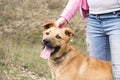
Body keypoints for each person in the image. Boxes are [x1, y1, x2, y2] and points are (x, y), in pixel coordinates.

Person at [55, 0, 120, 80]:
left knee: (118, 72)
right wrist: (65, 17)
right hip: (94, 21)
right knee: (97, 74)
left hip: (117, 18)